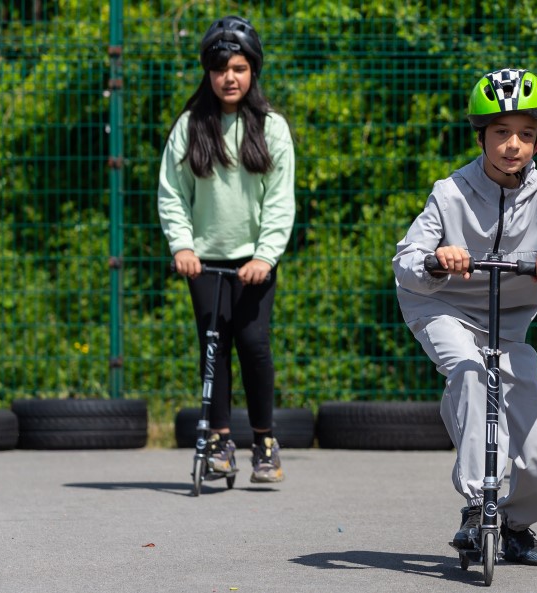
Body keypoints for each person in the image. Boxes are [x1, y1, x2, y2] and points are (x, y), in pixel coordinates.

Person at [393, 68, 537, 566]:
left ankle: (517, 527)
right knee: (471, 373)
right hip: (443, 309)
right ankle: (477, 503)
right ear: (480, 136)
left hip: (507, 324)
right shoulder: (450, 192)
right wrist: (439, 259)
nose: (512, 145)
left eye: (525, 135)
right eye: (501, 132)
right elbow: (406, 260)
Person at [157, 15, 295, 484]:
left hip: (255, 263)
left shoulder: (270, 127)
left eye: (238, 67)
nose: (229, 78)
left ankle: (264, 442)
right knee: (212, 346)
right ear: (207, 73)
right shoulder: (191, 126)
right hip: (206, 261)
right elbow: (172, 193)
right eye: (219, 69)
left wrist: (265, 255)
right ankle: (218, 441)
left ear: (253, 69)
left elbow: (280, 199)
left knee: (253, 345)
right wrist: (182, 246)